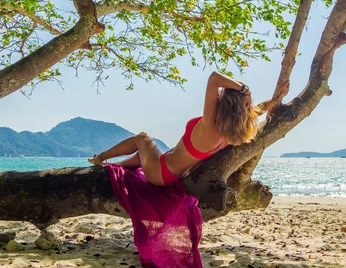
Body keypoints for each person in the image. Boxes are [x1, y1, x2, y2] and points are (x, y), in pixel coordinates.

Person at [88, 71, 263, 186]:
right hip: (171, 174)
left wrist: (244, 90)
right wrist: (275, 99)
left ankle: (100, 158)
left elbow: (214, 78)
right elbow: (257, 110)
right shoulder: (228, 133)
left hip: (160, 172)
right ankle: (112, 166)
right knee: (143, 155)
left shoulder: (209, 124)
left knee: (142, 138)